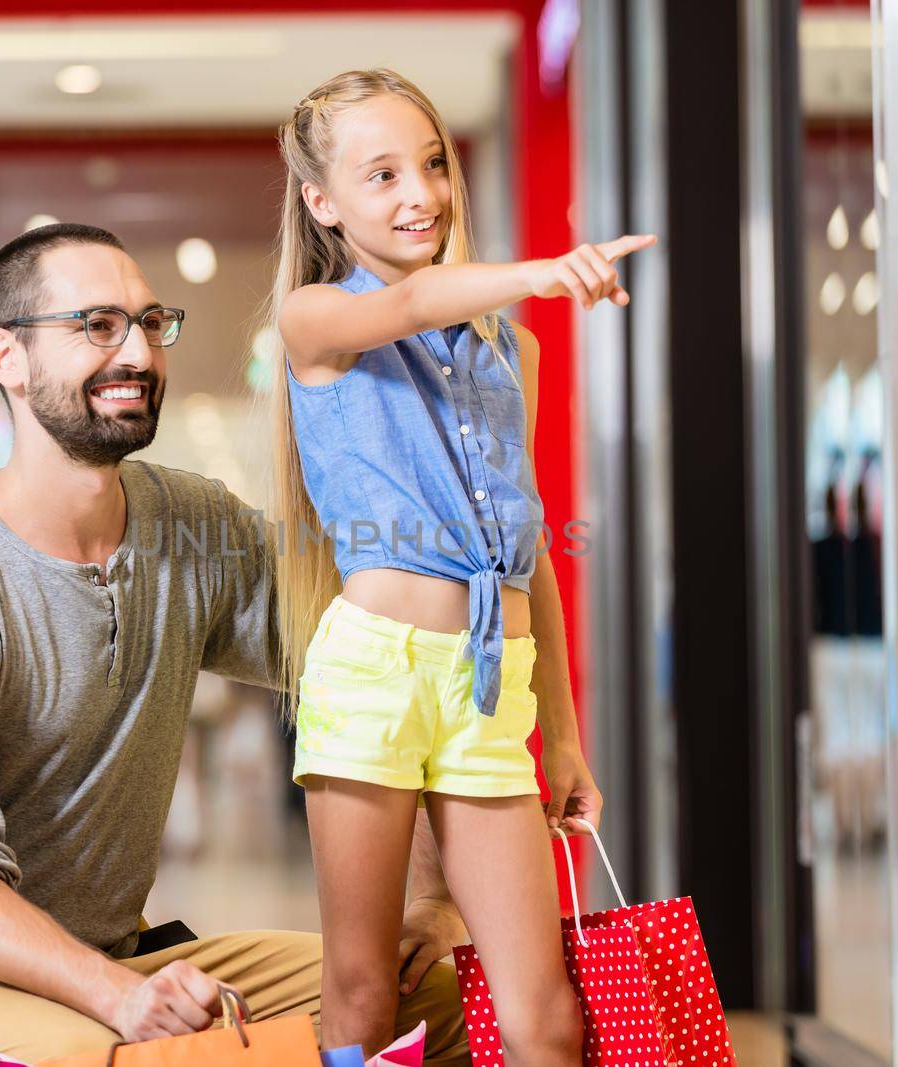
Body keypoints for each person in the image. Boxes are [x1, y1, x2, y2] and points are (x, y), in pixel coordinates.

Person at [0, 222, 472, 1066]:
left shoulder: (192, 523)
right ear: (5, 356)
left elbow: (366, 666)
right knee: (128, 1062)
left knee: (445, 991)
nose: (137, 351)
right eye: (96, 325)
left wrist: (434, 889)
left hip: (120, 956)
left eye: (149, 322)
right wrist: (122, 998)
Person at [268, 69, 648, 1064]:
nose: (420, 194)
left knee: (547, 1016)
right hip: (373, 675)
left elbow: (531, 558)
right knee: (362, 994)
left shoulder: (500, 348)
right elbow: (419, 296)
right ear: (322, 200)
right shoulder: (312, 322)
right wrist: (545, 270)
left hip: (492, 689)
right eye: (381, 173)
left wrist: (560, 734)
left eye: (432, 164)